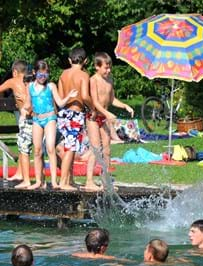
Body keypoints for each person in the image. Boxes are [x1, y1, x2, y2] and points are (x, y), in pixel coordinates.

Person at [21, 60, 78, 189]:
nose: (43, 77)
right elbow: (28, 103)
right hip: (37, 120)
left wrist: (69, 96)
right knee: (37, 151)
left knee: (50, 148)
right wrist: (24, 110)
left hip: (50, 118)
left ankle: (54, 181)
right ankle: (38, 181)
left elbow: (60, 103)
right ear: (34, 72)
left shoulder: (51, 86)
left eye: (46, 74)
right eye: (41, 74)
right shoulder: (30, 86)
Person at [83, 52, 134, 191]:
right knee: (95, 149)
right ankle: (89, 181)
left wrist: (125, 106)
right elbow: (94, 102)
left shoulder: (110, 79)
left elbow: (111, 100)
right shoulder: (93, 80)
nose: (109, 70)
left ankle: (106, 181)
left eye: (110, 67)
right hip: (93, 117)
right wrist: (107, 113)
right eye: (106, 68)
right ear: (96, 67)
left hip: (104, 116)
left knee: (107, 150)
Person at [57, 48, 91, 190]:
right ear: (86, 61)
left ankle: (70, 179)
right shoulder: (84, 75)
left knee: (67, 147)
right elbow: (84, 96)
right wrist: (92, 106)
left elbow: (59, 96)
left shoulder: (63, 74)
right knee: (71, 149)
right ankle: (63, 182)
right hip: (75, 114)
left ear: (70, 60)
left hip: (63, 113)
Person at [0, 60, 33, 188]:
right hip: (38, 116)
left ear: (15, 72)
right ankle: (19, 173)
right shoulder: (31, 81)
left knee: (23, 147)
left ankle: (23, 176)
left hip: (25, 117)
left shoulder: (12, 81)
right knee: (24, 146)